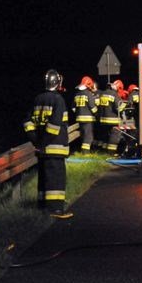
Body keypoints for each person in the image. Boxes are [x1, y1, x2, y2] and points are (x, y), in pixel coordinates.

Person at [23, 69, 72, 219]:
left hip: (42, 148)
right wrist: (43, 143)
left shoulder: (38, 99)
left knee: (44, 178)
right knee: (56, 179)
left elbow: (27, 122)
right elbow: (54, 126)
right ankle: (55, 209)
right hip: (54, 147)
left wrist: (35, 141)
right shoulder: (58, 100)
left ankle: (43, 206)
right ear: (57, 82)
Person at [99, 79, 126, 156]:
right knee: (115, 135)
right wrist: (125, 105)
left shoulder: (102, 93)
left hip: (103, 119)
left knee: (106, 136)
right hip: (112, 120)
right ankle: (111, 153)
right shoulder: (114, 94)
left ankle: (103, 151)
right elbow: (119, 108)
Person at [72, 76, 98, 154]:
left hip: (79, 118)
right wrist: (97, 114)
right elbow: (92, 107)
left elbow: (73, 108)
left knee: (83, 134)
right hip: (88, 119)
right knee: (88, 136)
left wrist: (79, 113)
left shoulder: (77, 94)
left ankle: (82, 150)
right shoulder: (88, 94)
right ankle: (85, 152)